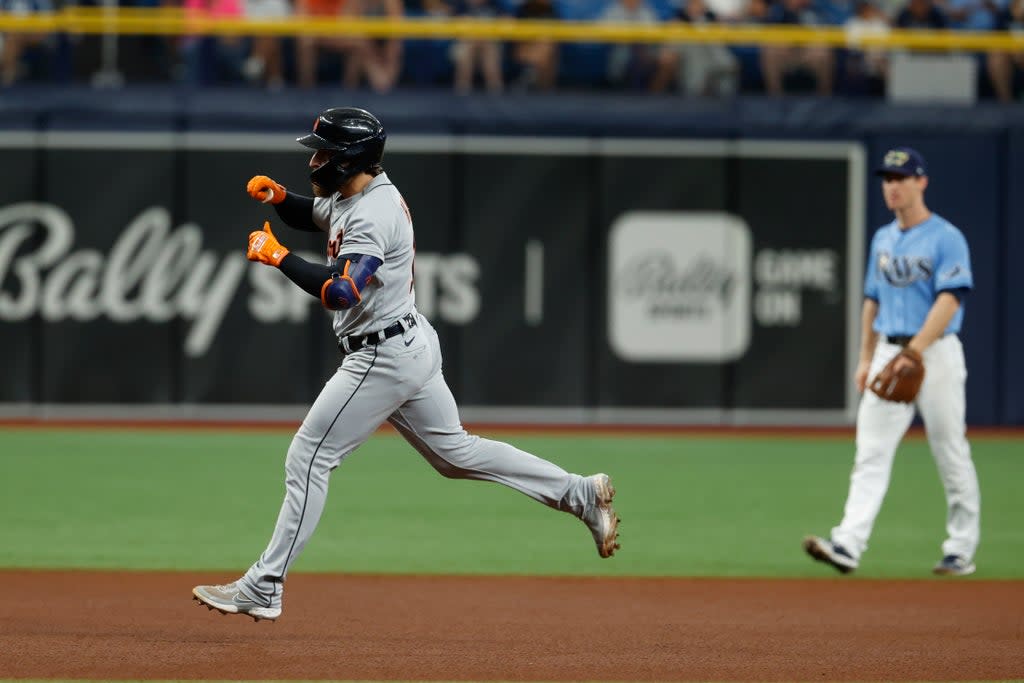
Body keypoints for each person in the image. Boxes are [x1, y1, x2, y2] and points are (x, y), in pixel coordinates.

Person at [191, 107, 621, 621]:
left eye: (325, 152)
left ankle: (264, 586)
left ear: (350, 160)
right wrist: (281, 199)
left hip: (381, 355)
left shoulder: (375, 214)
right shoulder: (360, 193)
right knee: (456, 454)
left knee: (308, 459)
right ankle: (579, 493)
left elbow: (341, 291)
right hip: (409, 342)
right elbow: (319, 214)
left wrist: (278, 257)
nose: (317, 160)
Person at [803, 147, 980, 577]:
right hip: (889, 349)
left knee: (949, 449)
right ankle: (847, 543)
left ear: (921, 182)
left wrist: (914, 351)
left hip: (934, 352)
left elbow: (950, 299)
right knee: (871, 451)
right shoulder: (883, 238)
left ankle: (960, 549)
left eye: (901, 178)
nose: (892, 186)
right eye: (887, 179)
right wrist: (866, 358)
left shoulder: (946, 236)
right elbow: (872, 300)